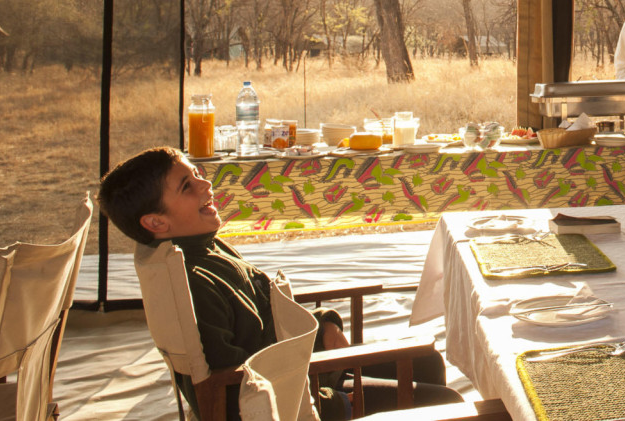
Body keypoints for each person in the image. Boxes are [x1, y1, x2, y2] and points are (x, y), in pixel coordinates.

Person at [98, 147, 461, 420]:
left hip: (296, 367)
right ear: (156, 223)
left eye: (197, 174)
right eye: (187, 186)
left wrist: (323, 326)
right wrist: (324, 388)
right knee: (449, 403)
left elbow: (260, 321)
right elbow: (231, 394)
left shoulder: (202, 248)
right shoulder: (195, 283)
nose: (206, 184)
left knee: (426, 361)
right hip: (294, 400)